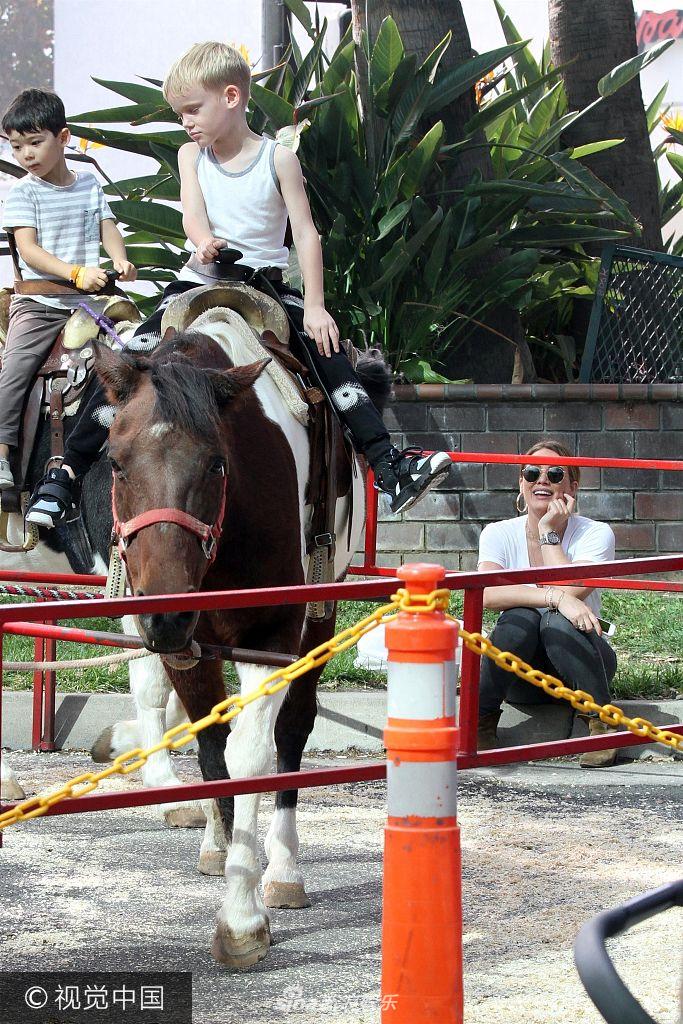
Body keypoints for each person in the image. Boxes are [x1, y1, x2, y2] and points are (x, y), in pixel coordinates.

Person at [25, 42, 452, 527]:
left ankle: (390, 467)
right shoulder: (191, 156)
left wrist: (315, 306)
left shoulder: (278, 159)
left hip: (263, 287)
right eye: (180, 112)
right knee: (131, 362)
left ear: (231, 96)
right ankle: (66, 477)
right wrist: (203, 241)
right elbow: (193, 212)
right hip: (195, 282)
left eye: (192, 109)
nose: (186, 121)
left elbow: (307, 234)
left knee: (328, 357)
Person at [0, 89, 136, 493]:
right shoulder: (23, 192)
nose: (26, 154)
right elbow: (29, 250)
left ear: (64, 138)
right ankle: (3, 454)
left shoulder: (89, 184)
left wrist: (120, 259)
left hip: (89, 305)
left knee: (135, 354)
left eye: (35, 142)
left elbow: (106, 226)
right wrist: (75, 272)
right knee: (15, 370)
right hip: (40, 305)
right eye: (16, 146)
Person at [476, 439, 619, 769]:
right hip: (520, 679)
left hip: (584, 668)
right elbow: (487, 595)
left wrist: (548, 533)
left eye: (555, 474)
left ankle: (602, 726)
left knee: (555, 622)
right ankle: (481, 723)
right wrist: (553, 598)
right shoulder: (497, 533)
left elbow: (570, 588)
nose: (542, 480)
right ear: (521, 483)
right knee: (521, 619)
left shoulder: (596, 534)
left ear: (573, 486)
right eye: (531, 473)